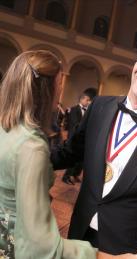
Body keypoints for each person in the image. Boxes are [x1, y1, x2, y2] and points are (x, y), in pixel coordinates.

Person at [51, 36, 137, 258]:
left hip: (125, 247)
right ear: (135, 63)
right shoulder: (98, 107)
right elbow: (69, 153)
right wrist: (21, 152)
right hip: (79, 231)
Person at [0, 50, 96, 259]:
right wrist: (97, 255)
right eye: (60, 84)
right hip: (12, 243)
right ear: (49, 89)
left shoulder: (5, 126)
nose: (61, 90)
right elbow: (40, 246)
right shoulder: (31, 147)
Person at [62, 88, 97, 184]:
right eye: (89, 101)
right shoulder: (74, 109)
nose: (90, 103)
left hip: (82, 139)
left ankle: (75, 174)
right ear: (84, 99)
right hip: (74, 139)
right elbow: (74, 126)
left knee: (81, 160)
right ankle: (66, 177)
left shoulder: (88, 111)